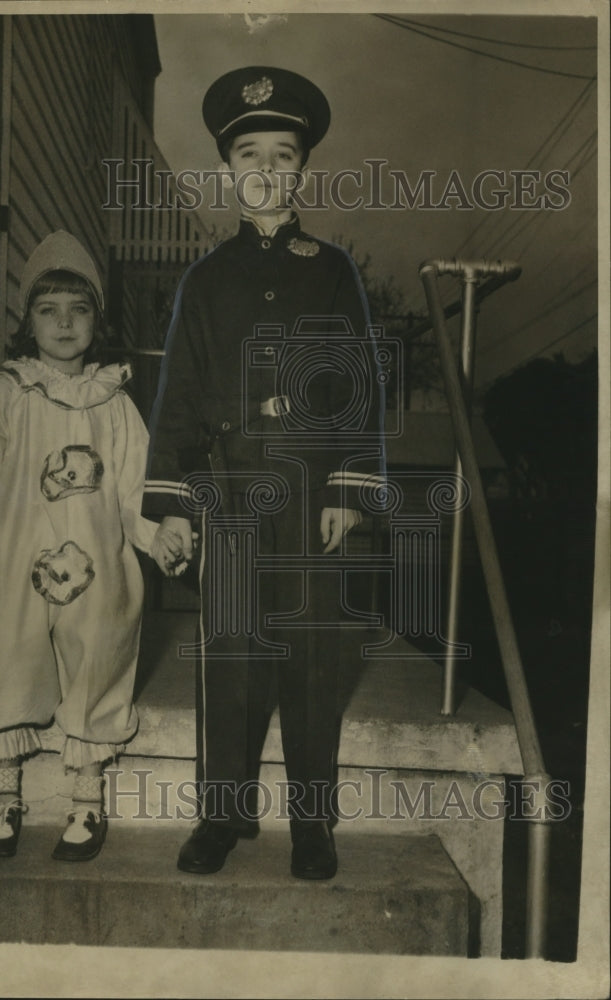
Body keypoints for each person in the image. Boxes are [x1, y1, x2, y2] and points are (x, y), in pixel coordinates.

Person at [144, 67, 387, 879]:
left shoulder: (332, 271)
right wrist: (173, 504)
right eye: (249, 153)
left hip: (311, 490)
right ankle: (223, 814)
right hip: (234, 493)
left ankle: (312, 825)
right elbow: (178, 392)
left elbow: (358, 381)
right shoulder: (205, 280)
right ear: (226, 167)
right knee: (233, 658)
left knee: (313, 660)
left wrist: (351, 488)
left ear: (302, 169)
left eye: (283, 155)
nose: (266, 169)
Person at [0, 230, 159, 861]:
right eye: (48, 310)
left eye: (79, 310)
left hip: (99, 561)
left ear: (98, 319)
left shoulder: (114, 401)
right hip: (14, 561)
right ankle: (5, 797)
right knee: (7, 658)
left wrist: (157, 535)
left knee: (94, 656)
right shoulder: (7, 392)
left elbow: (134, 488)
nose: (64, 324)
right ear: (27, 321)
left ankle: (86, 803)